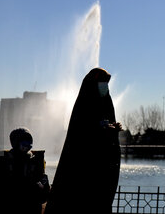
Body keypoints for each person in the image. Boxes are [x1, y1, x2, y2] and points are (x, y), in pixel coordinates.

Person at [44, 68, 122, 214]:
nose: (104, 86)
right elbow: (81, 134)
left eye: (106, 83)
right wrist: (101, 129)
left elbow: (107, 128)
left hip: (102, 168)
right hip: (83, 168)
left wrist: (113, 129)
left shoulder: (107, 102)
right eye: (101, 82)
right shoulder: (83, 105)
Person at [0, 127, 50, 214]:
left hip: (30, 203)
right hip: (9, 202)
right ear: (15, 144)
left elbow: (43, 184)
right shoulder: (4, 159)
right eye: (23, 144)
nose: (27, 147)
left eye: (29, 144)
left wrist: (40, 186)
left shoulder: (35, 160)